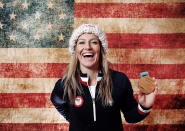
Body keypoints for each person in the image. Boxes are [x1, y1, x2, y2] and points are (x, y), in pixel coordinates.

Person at [50, 24, 158, 131]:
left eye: (94, 42)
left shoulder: (119, 80)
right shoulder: (64, 84)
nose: (88, 47)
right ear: (75, 50)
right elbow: (57, 101)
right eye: (81, 42)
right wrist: (72, 118)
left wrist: (145, 106)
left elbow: (130, 116)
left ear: (101, 49)